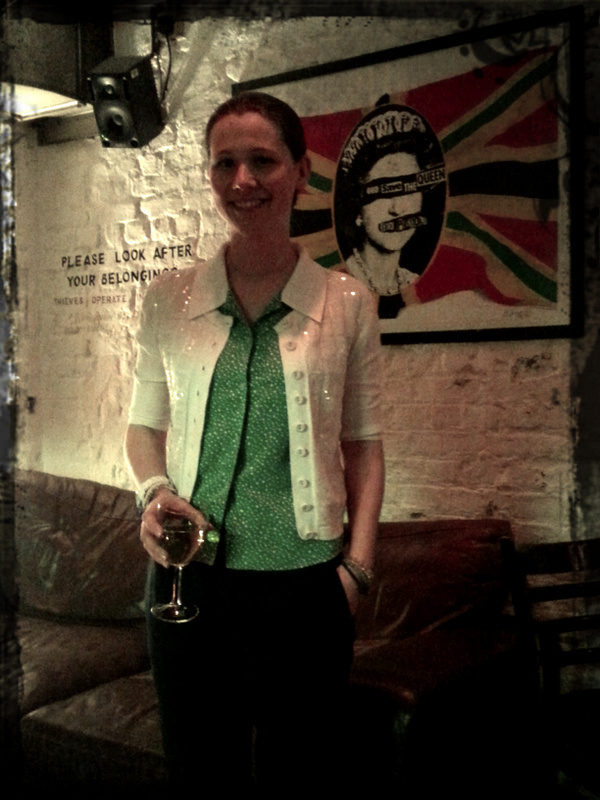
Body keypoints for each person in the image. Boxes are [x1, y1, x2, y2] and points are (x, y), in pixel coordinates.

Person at [124, 90, 385, 795]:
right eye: (224, 163)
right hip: (187, 581)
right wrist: (153, 493)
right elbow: (143, 426)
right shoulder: (168, 300)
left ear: (301, 172)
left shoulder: (348, 303)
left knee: (300, 779)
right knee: (198, 772)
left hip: (305, 586)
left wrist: (357, 569)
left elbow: (364, 444)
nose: (243, 180)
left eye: (262, 161)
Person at [333, 103, 446, 318]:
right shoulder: (339, 282)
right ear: (358, 209)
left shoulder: (408, 279)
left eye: (409, 191)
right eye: (383, 193)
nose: (398, 209)